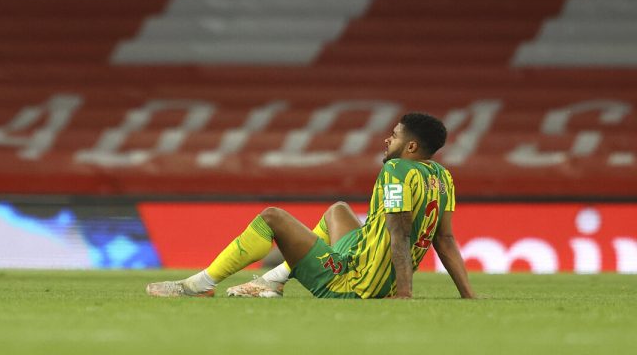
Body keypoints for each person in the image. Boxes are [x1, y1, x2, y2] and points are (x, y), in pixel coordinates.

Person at [146, 112, 475, 299]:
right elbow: (443, 239)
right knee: (338, 211)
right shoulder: (442, 177)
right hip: (364, 264)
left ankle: (199, 285)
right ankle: (272, 281)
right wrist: (467, 295)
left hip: (352, 284)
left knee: (272, 217)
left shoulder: (395, 170)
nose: (388, 139)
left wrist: (403, 293)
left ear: (412, 146)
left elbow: (398, 231)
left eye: (396, 135)